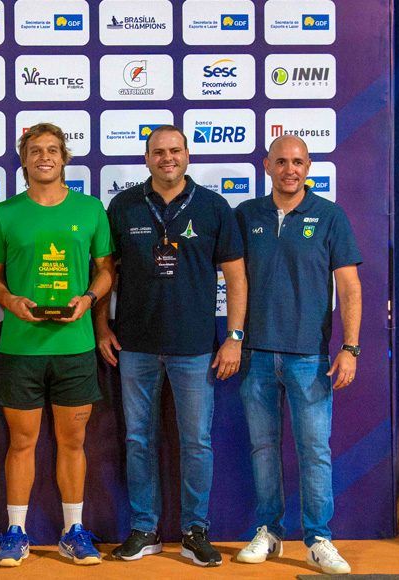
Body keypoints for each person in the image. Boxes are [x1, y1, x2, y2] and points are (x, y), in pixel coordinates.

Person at [96, 125, 247, 568]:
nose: (167, 158)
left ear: (187, 155)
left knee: (196, 442)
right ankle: (145, 529)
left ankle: (194, 530)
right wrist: (101, 326)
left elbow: (236, 277)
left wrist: (235, 337)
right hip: (135, 346)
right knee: (138, 439)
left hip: (195, 348)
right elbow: (105, 273)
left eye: (175, 150)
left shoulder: (214, 207)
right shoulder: (123, 205)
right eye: (158, 151)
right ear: (147, 158)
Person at [0, 123, 114, 567]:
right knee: (21, 442)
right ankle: (16, 531)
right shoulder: (3, 213)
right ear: (23, 159)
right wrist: (11, 301)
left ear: (64, 158)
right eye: (36, 150)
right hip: (20, 348)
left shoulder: (91, 209)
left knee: (72, 442)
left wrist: (89, 299)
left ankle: (72, 531)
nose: (45, 157)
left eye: (53, 150)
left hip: (74, 347)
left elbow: (105, 270)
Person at [234, 135, 362, 575]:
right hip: (255, 354)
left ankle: (318, 539)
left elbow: (349, 286)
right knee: (263, 449)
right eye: (282, 161)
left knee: (314, 452)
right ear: (267, 165)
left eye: (298, 162)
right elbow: (233, 280)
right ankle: (269, 531)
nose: (290, 169)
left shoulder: (329, 216)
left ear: (308, 168)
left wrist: (350, 347)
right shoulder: (246, 214)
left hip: (309, 357)